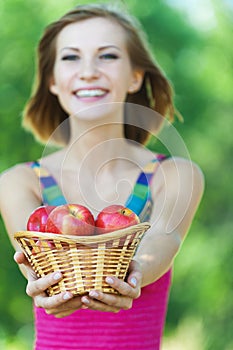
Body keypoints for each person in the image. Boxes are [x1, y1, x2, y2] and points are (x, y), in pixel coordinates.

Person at [0, 3, 204, 350]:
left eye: (107, 56)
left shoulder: (173, 175)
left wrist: (133, 272)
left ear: (136, 76)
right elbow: (35, 263)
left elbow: (162, 242)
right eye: (70, 58)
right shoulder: (20, 182)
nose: (89, 71)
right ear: (52, 80)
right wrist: (42, 282)